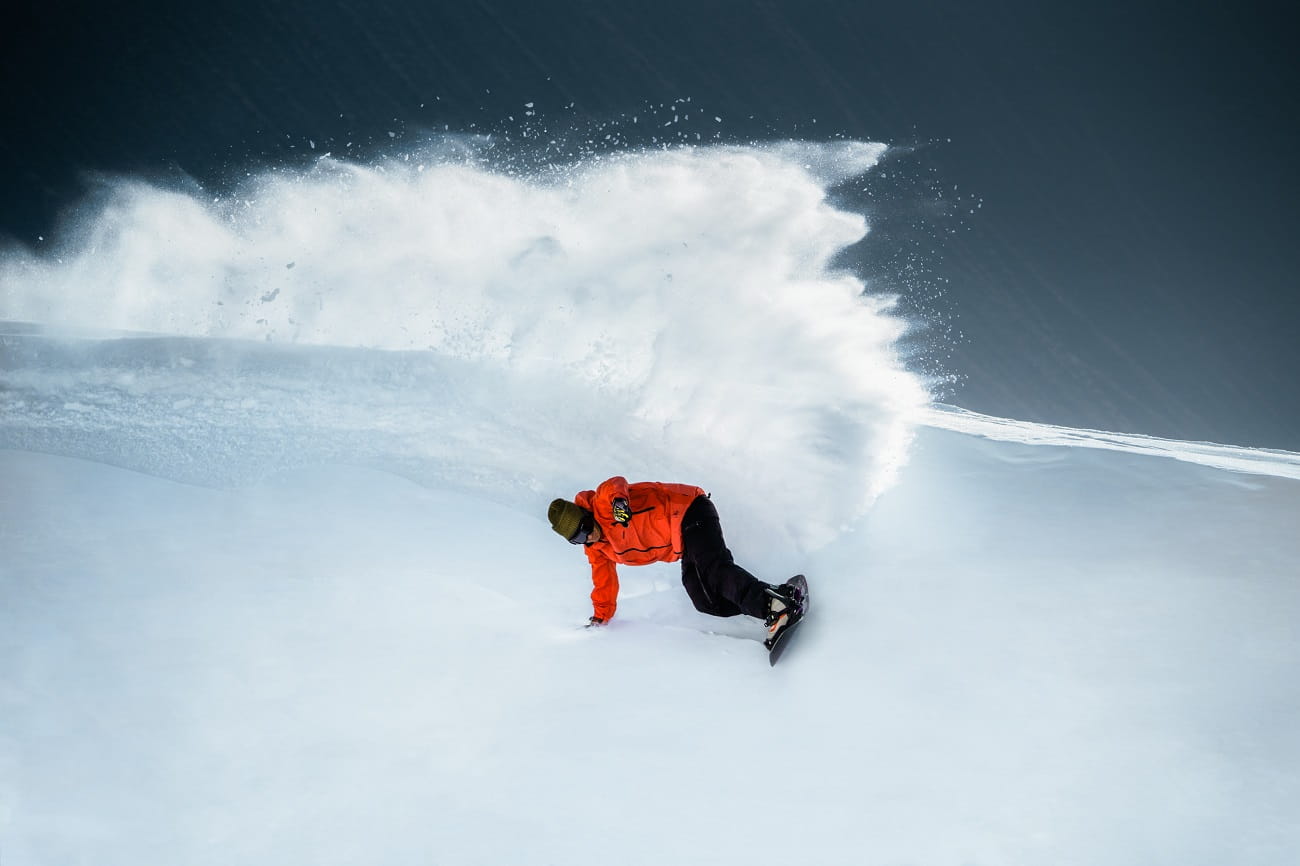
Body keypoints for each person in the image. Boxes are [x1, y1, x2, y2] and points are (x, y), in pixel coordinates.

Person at [547, 476, 802, 640]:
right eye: (578, 538)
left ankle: (775, 605)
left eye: (585, 528)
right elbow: (604, 582)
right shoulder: (597, 549)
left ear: (586, 513)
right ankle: (775, 597)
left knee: (714, 571)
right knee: (705, 600)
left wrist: (620, 505)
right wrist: (600, 617)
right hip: (684, 542)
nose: (589, 536)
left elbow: (615, 484)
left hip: (690, 510)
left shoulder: (603, 504)